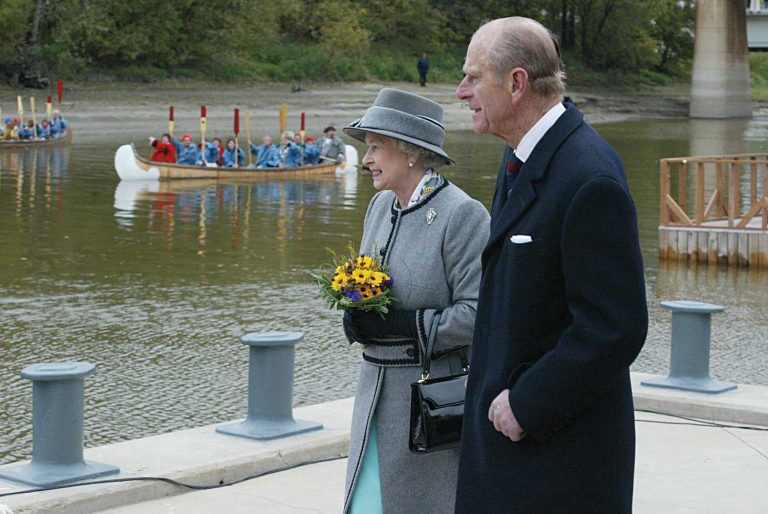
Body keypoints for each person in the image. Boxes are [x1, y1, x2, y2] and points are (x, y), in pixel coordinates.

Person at [454, 17, 648, 513]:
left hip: (557, 464)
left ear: (516, 83)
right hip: (508, 455)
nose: (461, 91)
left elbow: (613, 328)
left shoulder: (589, 176)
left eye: (473, 77)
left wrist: (528, 403)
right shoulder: (521, 157)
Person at [340, 88, 490, 513]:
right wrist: (353, 309)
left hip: (429, 400)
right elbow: (368, 281)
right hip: (372, 393)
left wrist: (406, 325)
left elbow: (479, 314)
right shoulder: (379, 205)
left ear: (410, 153)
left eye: (375, 148)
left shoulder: (462, 214)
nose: (366, 159)